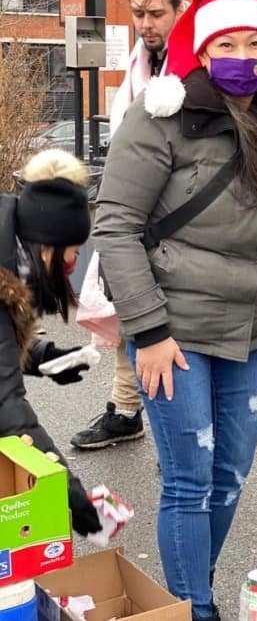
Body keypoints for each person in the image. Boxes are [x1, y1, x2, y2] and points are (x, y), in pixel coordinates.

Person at [93, 0, 257, 621]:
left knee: (231, 475)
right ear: (205, 53)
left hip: (248, 330)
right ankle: (194, 609)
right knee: (189, 480)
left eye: (256, 42)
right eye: (228, 43)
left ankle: (190, 585)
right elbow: (117, 225)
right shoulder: (160, 118)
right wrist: (148, 332)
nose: (243, 54)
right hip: (173, 331)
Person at [71, 0, 186, 450]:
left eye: (156, 13)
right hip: (137, 210)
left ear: (177, 9)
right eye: (138, 13)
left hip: (178, 216)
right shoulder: (142, 64)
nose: (146, 24)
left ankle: (170, 431)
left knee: (164, 321)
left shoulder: (194, 59)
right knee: (127, 311)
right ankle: (125, 410)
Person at [0, 148, 102, 538]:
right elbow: (7, 408)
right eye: (72, 255)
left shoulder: (10, 243)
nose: (72, 266)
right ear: (49, 247)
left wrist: (44, 357)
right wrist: (70, 496)